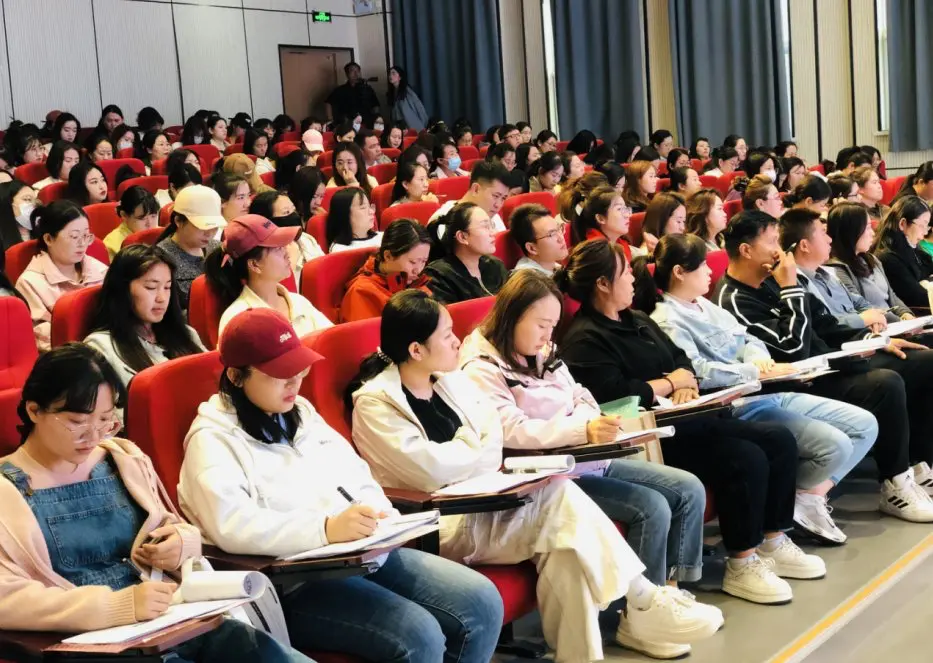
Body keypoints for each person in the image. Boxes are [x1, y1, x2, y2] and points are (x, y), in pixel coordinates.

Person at [348, 289, 723, 662]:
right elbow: (431, 470)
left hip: (488, 502)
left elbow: (493, 440)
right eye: (447, 335)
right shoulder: (376, 404)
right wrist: (473, 443)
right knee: (560, 504)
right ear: (416, 350)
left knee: (566, 549)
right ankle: (644, 599)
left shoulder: (449, 382)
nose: (457, 341)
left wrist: (472, 451)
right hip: (441, 522)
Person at [176, 308, 502, 661]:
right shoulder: (212, 439)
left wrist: (376, 512)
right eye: (280, 375)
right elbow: (233, 526)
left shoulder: (300, 412)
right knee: (418, 634)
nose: (294, 382)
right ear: (237, 377)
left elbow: (355, 472)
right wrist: (325, 529)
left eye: (298, 370)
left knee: (481, 601)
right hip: (295, 582)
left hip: (360, 553)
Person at [0, 343, 312, 663]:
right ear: (34, 410)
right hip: (99, 644)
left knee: (272, 655)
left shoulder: (122, 458)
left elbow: (173, 526)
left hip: (170, 619)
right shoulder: (7, 490)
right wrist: (116, 606)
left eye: (105, 420)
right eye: (77, 421)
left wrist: (179, 544)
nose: (93, 436)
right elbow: (6, 597)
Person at [556, 239, 826, 603]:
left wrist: (682, 381)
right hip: (653, 436)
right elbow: (615, 395)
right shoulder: (585, 337)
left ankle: (773, 540)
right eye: (625, 273)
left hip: (689, 415)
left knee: (778, 439)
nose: (635, 279)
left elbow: (682, 360)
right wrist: (671, 383)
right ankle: (741, 562)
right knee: (743, 457)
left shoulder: (637, 319)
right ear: (603, 284)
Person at [638, 234, 878, 544]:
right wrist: (753, 370)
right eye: (702, 266)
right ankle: (785, 508)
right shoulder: (667, 319)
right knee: (835, 445)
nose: (710, 271)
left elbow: (748, 338)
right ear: (679, 272)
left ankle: (805, 497)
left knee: (865, 424)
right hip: (737, 402)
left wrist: (759, 362)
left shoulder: (706, 306)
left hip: (766, 387)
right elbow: (698, 372)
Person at [714, 209, 933, 521]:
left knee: (923, 361)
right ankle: (895, 483)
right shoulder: (734, 299)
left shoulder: (771, 279)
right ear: (746, 250)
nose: (779, 251)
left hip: (827, 361)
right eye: (772, 242)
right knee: (885, 384)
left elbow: (825, 323)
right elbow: (791, 349)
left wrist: (875, 339)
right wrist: (791, 288)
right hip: (795, 381)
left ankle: (920, 462)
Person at [85, 244, 204, 394]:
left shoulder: (185, 333)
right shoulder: (101, 347)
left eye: (167, 287)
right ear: (122, 290)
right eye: (151, 287)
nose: (162, 298)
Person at [206, 215, 331, 337]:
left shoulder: (298, 301)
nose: (287, 253)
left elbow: (331, 339)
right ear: (254, 264)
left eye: (283, 246)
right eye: (277, 248)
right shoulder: (238, 319)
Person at [15, 201, 108, 351]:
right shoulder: (29, 283)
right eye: (74, 236)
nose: (82, 243)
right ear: (49, 239)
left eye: (86, 236)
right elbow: (45, 340)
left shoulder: (99, 269)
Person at [825, 202, 914, 321]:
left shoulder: (872, 259)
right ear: (851, 231)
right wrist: (899, 321)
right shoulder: (838, 269)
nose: (872, 233)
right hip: (878, 325)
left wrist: (905, 314)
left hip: (896, 323)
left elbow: (891, 295)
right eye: (867, 228)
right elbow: (861, 307)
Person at [341, 219, 432, 322]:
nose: (418, 270)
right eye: (413, 262)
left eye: (423, 261)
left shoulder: (417, 282)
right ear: (388, 256)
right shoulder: (362, 292)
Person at [155, 185, 226, 311]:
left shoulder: (217, 249)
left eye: (214, 227)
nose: (209, 233)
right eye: (202, 227)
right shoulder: (161, 260)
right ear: (178, 221)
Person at [424, 203, 507, 304]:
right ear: (462, 237)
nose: (493, 232)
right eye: (485, 227)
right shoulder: (439, 275)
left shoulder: (495, 265)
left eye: (492, 225)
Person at [869, 195, 933, 309]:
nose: (924, 233)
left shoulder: (915, 250)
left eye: (926, 227)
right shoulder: (888, 258)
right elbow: (920, 297)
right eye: (922, 226)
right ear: (903, 224)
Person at [249, 189, 324, 283]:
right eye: (286, 212)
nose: (294, 215)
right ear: (267, 222)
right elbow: (275, 287)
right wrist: (291, 261)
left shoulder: (306, 238)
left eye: (294, 210)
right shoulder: (266, 255)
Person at [427, 161, 510, 233]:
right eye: (496, 196)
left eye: (503, 198)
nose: (498, 205)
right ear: (476, 189)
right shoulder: (444, 220)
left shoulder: (493, 216)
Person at [569, 184, 637, 260]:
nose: (627, 215)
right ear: (600, 218)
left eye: (625, 208)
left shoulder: (620, 243)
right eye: (619, 209)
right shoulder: (596, 253)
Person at [509, 203, 568, 274]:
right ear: (532, 248)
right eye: (551, 234)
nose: (561, 238)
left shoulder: (552, 267)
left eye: (559, 228)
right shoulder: (529, 278)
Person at [104, 186, 160, 258]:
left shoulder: (162, 233)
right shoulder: (112, 246)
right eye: (142, 218)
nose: (149, 223)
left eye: (153, 216)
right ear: (124, 215)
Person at [325, 187, 381, 252]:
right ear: (344, 214)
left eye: (370, 206)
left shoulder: (382, 236)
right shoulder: (340, 249)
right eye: (363, 208)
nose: (372, 212)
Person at [0, 180, 37, 251]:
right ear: (7, 203)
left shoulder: (41, 231)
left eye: (35, 200)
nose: (34, 205)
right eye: (27, 199)